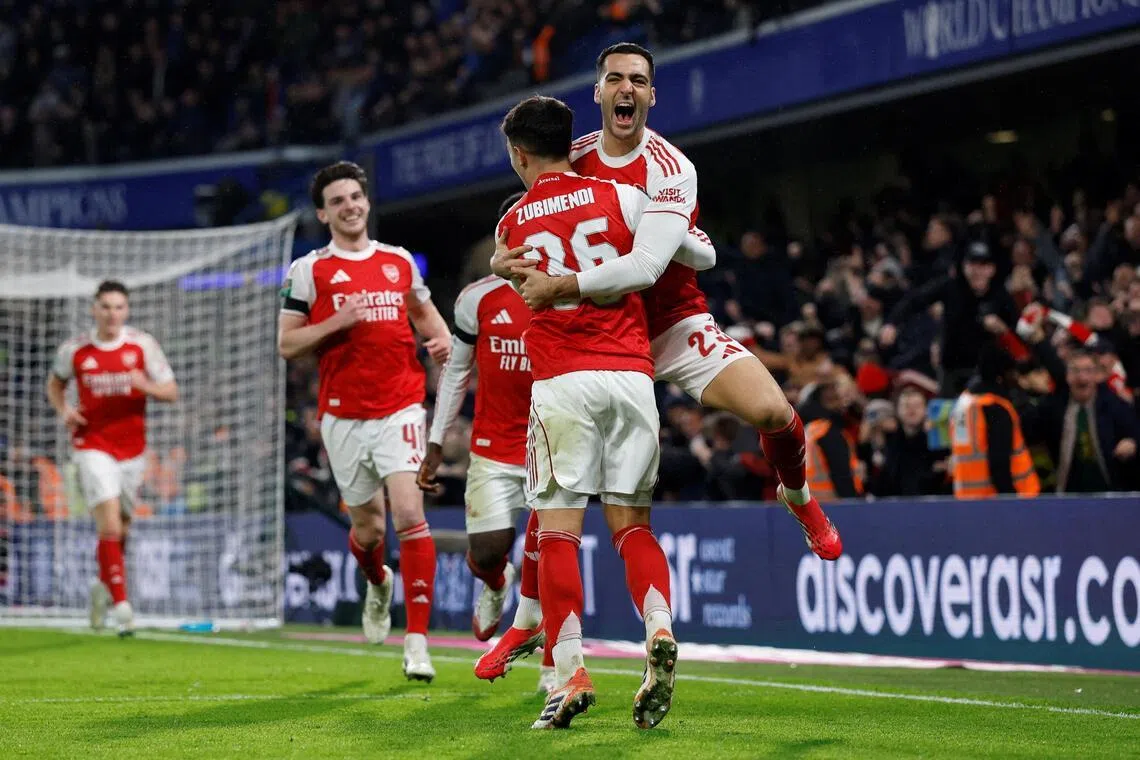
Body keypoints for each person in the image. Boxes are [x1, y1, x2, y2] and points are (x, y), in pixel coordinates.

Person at [494, 42, 840, 557]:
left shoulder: (671, 168)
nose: (625, 88)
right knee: (556, 493)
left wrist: (562, 285)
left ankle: (799, 496)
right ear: (599, 92)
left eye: (637, 79)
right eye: (615, 79)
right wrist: (503, 257)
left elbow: (646, 269)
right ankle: (526, 623)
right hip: (602, 333)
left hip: (675, 324)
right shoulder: (576, 157)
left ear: (651, 95)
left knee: (772, 411)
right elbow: (532, 220)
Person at [496, 95, 681, 731]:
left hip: (562, 382)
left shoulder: (513, 222)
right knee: (633, 527)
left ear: (519, 154)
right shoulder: (625, 199)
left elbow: (509, 274)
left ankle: (571, 670)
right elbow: (675, 256)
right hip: (630, 375)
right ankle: (658, 625)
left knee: (558, 532)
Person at [278, 161, 451, 682]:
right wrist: (337, 322)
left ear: (367, 202)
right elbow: (287, 343)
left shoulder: (398, 262)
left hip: (400, 404)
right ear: (323, 213)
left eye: (356, 196)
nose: (350, 206)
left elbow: (426, 316)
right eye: (338, 201)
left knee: (406, 512)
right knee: (369, 528)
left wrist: (442, 341)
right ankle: (377, 582)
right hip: (343, 416)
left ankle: (417, 642)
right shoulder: (310, 270)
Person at [417, 193, 537, 648]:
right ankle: (494, 581)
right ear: (503, 237)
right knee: (487, 552)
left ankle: (556, 670)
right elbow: (455, 374)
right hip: (491, 449)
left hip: (553, 447)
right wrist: (435, 441)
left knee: (549, 556)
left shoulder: (569, 292)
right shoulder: (477, 300)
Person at [47, 280, 178, 636]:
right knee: (108, 525)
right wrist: (64, 411)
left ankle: (102, 585)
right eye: (105, 306)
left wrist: (145, 385)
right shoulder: (75, 349)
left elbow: (171, 391)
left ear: (127, 310)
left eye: (118, 307)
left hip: (133, 451)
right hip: (91, 445)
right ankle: (123, 609)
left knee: (122, 530)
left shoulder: (142, 345)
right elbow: (55, 383)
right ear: (94, 309)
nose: (112, 314)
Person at [949, 342, 1041, 499]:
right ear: (1001, 376)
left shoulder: (963, 403)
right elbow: (999, 464)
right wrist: (1011, 501)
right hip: (997, 504)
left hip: (967, 500)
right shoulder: (995, 408)